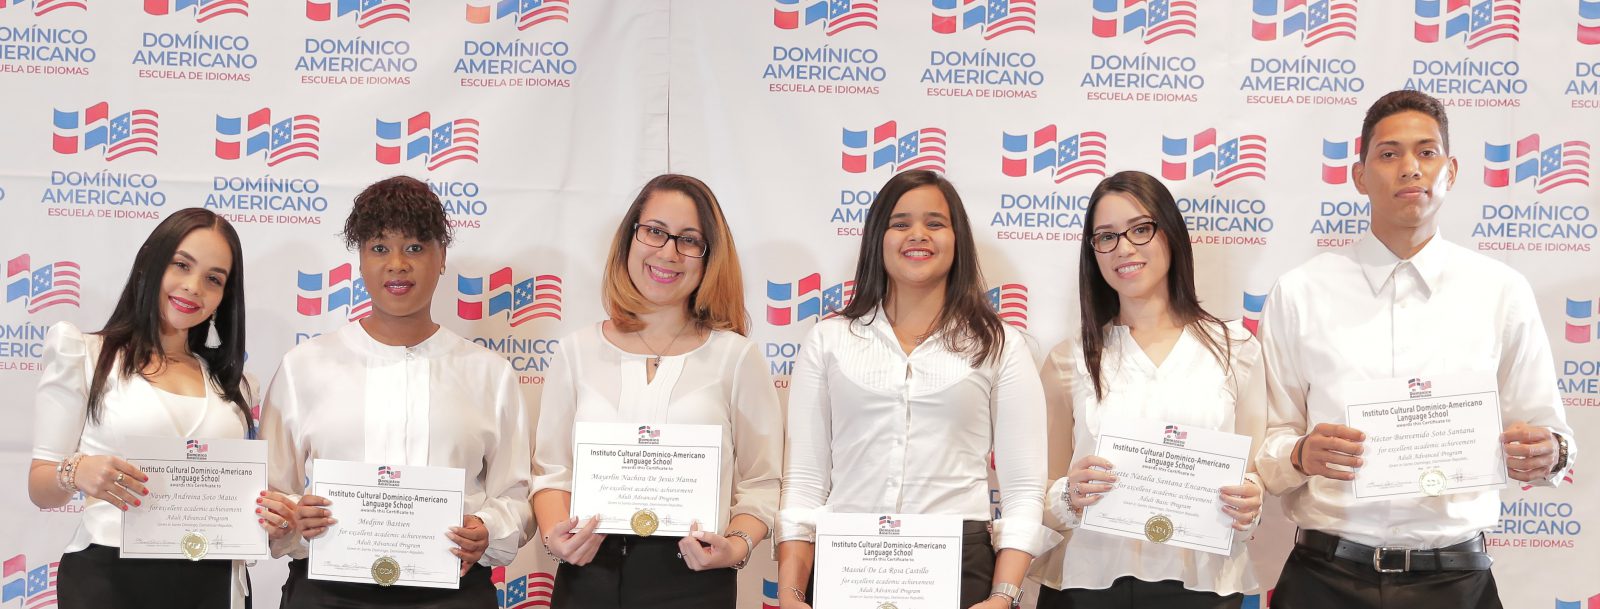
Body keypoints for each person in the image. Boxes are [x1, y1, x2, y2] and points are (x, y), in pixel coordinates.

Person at [1254, 90, 1577, 609]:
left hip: (1457, 582)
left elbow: (1550, 433)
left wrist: (1549, 452)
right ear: (1359, 176)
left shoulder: (1501, 291)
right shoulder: (1299, 293)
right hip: (1324, 579)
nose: (1410, 168)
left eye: (1427, 152)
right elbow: (1267, 446)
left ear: (1451, 170)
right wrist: (1299, 453)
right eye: (1389, 154)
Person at [776, 169, 1056, 609]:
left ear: (957, 239)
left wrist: (1002, 597)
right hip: (849, 563)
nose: (918, 234)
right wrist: (791, 592)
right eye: (901, 223)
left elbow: (1023, 490)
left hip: (959, 564)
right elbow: (806, 482)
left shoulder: (1001, 344)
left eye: (935, 223)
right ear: (878, 238)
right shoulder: (828, 340)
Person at [259, 176, 532, 608]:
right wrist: (294, 516)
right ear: (360, 260)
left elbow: (516, 497)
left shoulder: (489, 374)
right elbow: (272, 493)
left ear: (442, 257)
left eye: (415, 248)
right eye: (380, 248)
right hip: (328, 592)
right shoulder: (303, 367)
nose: (398, 264)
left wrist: (487, 528)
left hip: (452, 593)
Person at [532, 174, 782, 609]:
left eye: (689, 240)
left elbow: (762, 481)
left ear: (709, 257)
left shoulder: (736, 357)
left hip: (695, 582)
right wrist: (558, 540)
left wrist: (736, 546)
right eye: (655, 231)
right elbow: (552, 471)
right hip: (587, 577)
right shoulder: (577, 351)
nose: (668, 252)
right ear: (630, 238)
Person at [29, 208, 290, 609]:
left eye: (213, 279)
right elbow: (40, 488)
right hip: (109, 578)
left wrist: (268, 514)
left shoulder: (235, 386)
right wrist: (77, 471)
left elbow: (242, 494)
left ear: (223, 297)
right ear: (150, 263)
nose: (193, 287)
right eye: (181, 265)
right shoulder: (84, 355)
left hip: (214, 582)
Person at [1028, 171, 1265, 609]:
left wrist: (1250, 500)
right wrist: (1069, 496)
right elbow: (1035, 492)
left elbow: (1252, 474)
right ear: (1093, 252)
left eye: (1140, 229)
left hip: (1203, 586)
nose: (1124, 248)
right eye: (1106, 237)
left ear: (1171, 234)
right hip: (1089, 584)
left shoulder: (1237, 350)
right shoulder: (1070, 359)